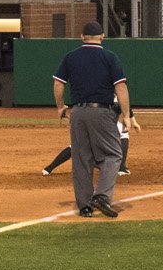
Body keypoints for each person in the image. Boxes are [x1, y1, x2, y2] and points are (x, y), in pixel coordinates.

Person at [51, 21, 136, 218]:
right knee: (114, 155)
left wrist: (60, 106)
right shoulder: (109, 57)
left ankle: (85, 206)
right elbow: (121, 88)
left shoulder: (71, 57)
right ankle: (102, 196)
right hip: (102, 112)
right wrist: (126, 115)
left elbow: (58, 83)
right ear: (102, 36)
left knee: (81, 159)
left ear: (82, 37)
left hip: (78, 113)